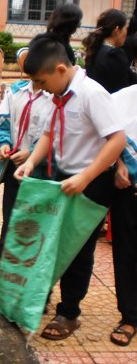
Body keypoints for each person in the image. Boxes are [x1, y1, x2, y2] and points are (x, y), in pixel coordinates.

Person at [14, 33, 126, 341]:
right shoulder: (58, 96)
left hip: (91, 182)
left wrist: (86, 177)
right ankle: (38, 298)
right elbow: (49, 135)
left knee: (78, 249)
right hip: (63, 177)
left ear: (60, 69)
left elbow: (117, 140)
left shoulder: (92, 94)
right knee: (47, 241)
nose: (39, 88)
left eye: (41, 81)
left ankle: (69, 312)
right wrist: (31, 161)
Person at [0, 79, 54, 283]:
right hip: (14, 170)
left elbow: (56, 135)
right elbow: (1, 122)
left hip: (41, 175)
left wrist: (32, 154)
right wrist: (3, 144)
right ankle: (6, 273)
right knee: (10, 222)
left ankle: (31, 284)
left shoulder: (56, 96)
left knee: (36, 228)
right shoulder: (16, 91)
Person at [108, 85, 137, 346]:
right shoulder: (120, 100)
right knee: (126, 251)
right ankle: (130, 316)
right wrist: (118, 165)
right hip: (129, 188)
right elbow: (106, 137)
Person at [82, 8, 137, 94]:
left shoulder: (94, 50)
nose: (126, 33)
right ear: (117, 30)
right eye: (125, 29)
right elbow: (124, 89)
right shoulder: (115, 55)